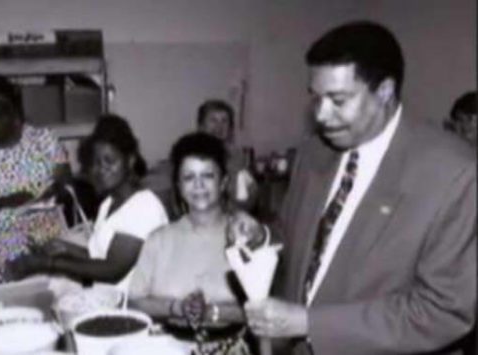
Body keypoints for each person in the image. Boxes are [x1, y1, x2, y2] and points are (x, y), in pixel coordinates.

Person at [242, 21, 476, 355]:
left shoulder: (453, 174)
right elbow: (297, 240)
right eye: (316, 98)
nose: (322, 115)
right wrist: (261, 236)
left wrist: (311, 323)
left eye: (338, 100)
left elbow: (442, 310)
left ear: (384, 91)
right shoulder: (313, 153)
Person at [4, 114, 169, 293]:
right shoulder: (109, 203)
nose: (101, 169)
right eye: (96, 163)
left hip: (130, 306)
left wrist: (49, 264)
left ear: (130, 161)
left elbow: (112, 270)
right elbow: (98, 256)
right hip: (105, 298)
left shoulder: (144, 206)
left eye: (110, 161)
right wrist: (65, 248)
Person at [130, 132, 260, 354]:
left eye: (208, 176)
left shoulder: (245, 235)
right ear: (179, 187)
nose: (198, 185)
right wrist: (177, 308)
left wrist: (212, 312)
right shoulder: (159, 239)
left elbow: (264, 309)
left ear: (223, 182)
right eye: (189, 177)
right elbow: (134, 302)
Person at [0, 76, 71, 271]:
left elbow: (65, 178)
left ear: (13, 111)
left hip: (49, 243)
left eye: (0, 115)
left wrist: (52, 192)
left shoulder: (42, 139)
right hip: (3, 250)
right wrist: (4, 202)